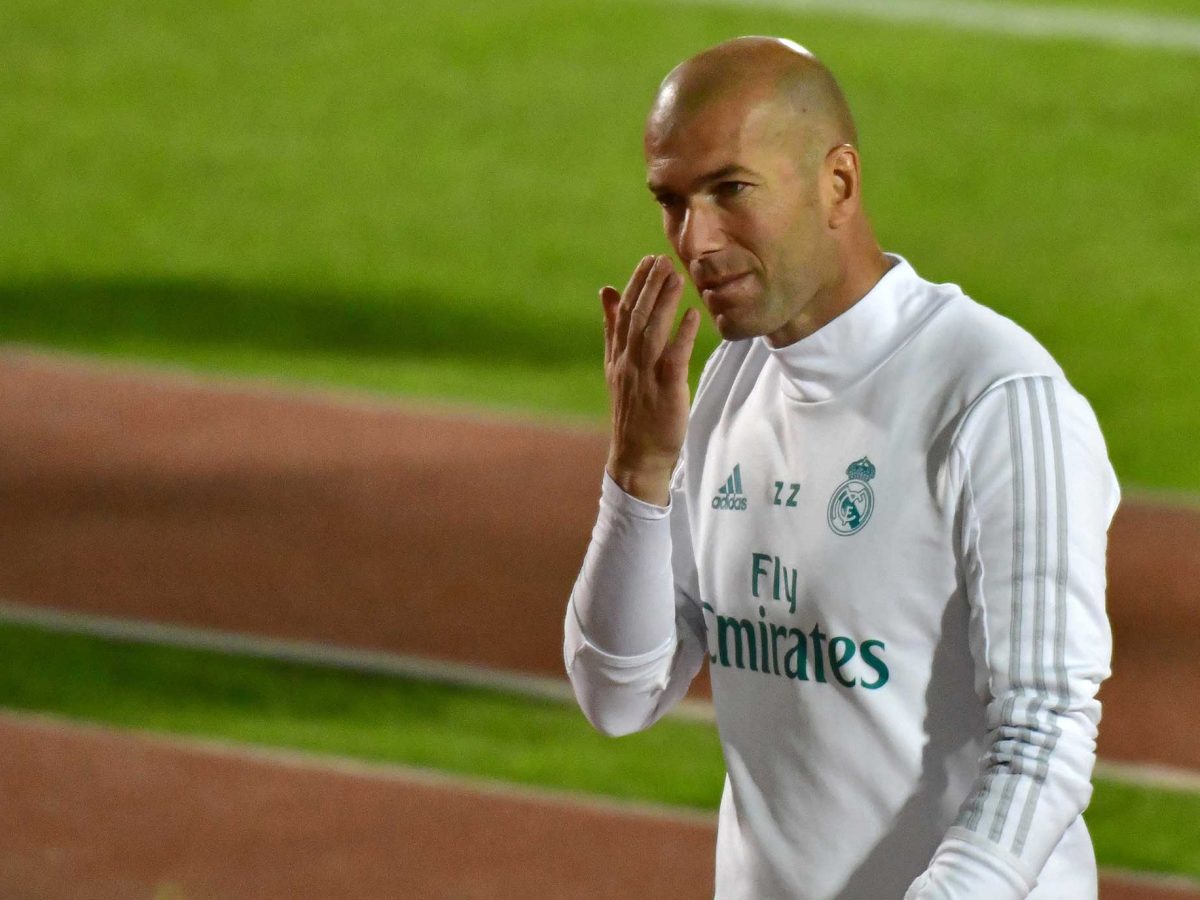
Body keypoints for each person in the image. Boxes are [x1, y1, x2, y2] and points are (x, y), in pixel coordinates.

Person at [562, 35, 1119, 899]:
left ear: (839, 184)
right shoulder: (729, 386)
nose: (694, 240)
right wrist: (637, 475)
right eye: (671, 201)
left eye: (730, 190)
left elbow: (1046, 732)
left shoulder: (996, 398)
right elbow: (616, 693)